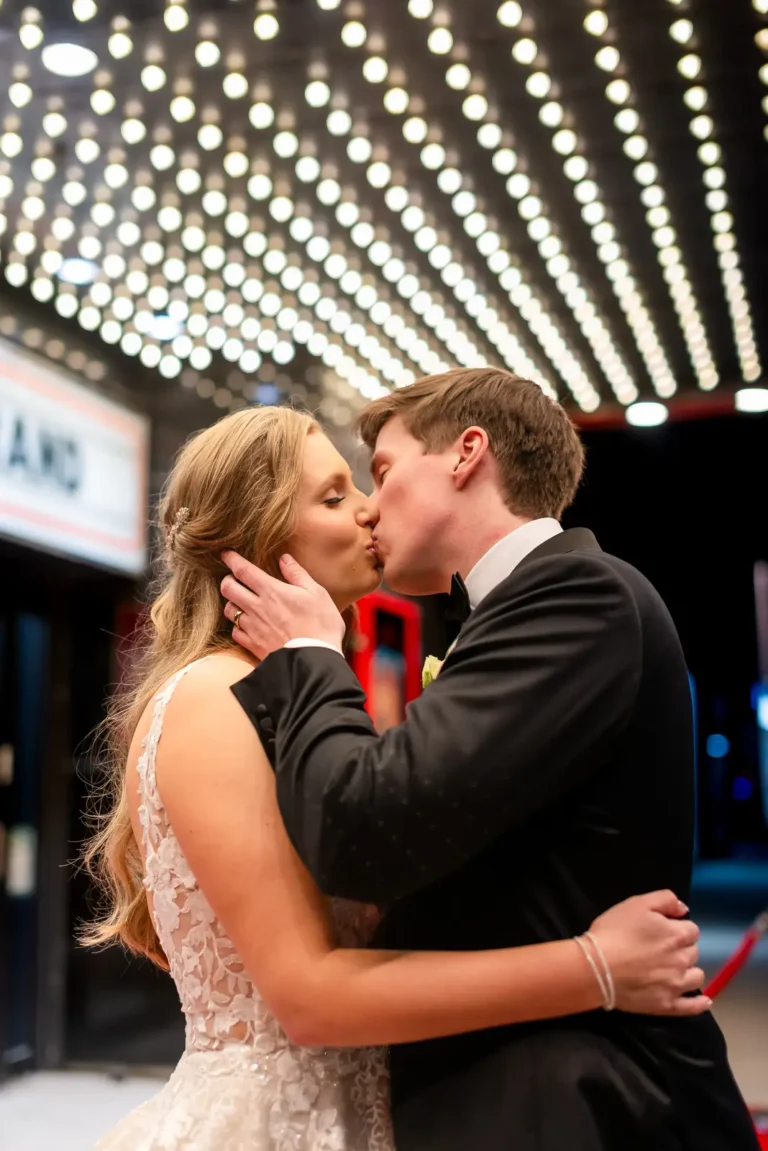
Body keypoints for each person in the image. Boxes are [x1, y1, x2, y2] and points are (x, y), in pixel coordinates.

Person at [83, 404, 708, 1151]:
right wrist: (595, 966)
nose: (369, 509)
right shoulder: (214, 698)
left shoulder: (294, 701)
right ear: (257, 537)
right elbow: (310, 998)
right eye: (336, 495)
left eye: (367, 483)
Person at [221, 370, 760, 1151]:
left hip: (578, 1101)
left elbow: (361, 833)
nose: (372, 507)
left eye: (383, 470)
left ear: (466, 452)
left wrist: (309, 653)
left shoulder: (577, 592)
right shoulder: (516, 610)